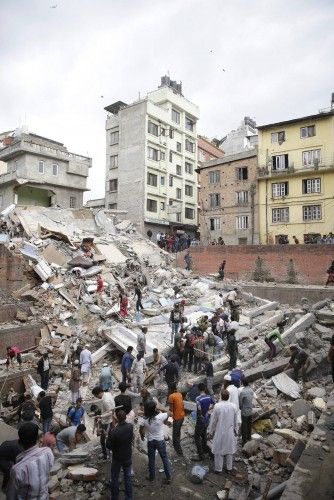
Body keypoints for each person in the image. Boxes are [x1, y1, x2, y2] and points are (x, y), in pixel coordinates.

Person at [139, 400, 171, 484]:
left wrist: (142, 436)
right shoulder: (160, 416)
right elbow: (169, 412)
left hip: (150, 441)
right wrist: (159, 407)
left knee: (151, 459)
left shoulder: (144, 419)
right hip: (160, 440)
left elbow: (140, 430)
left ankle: (152, 477)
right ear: (154, 408)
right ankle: (168, 478)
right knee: (164, 458)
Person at [207, 389, 238, 474]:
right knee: (229, 450)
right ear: (228, 397)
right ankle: (229, 468)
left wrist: (210, 431)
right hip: (229, 431)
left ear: (221, 396)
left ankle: (218, 469)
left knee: (218, 450)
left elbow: (213, 421)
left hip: (220, 431)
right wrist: (236, 429)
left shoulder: (217, 406)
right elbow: (235, 420)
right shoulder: (233, 406)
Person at [108, 410, 133, 500]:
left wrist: (108, 434)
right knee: (128, 478)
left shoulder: (114, 431)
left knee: (114, 477)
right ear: (125, 417)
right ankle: (129, 498)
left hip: (117, 458)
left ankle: (115, 497)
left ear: (117, 418)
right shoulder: (130, 427)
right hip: (127, 456)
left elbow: (109, 446)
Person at [194, 383, 215, 460]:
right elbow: (213, 405)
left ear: (198, 389)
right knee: (204, 435)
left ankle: (201, 455)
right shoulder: (209, 397)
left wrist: (201, 415)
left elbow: (199, 409)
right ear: (205, 388)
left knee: (196, 436)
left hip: (201, 419)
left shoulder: (198, 398)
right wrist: (207, 411)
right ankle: (205, 449)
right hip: (207, 418)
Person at [239, 378, 257, 445]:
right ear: (248, 383)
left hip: (244, 411)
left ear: (243, 384)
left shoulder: (243, 392)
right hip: (250, 410)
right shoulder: (251, 390)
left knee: (244, 426)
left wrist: (241, 408)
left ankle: (244, 441)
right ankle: (249, 438)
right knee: (249, 425)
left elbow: (240, 403)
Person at [168, 383, 185, 456]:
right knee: (178, 433)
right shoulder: (179, 394)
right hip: (182, 416)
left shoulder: (171, 396)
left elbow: (171, 410)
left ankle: (179, 452)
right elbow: (182, 405)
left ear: (170, 389)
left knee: (175, 436)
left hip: (177, 418)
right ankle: (178, 447)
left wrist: (167, 418)